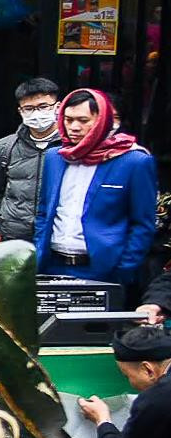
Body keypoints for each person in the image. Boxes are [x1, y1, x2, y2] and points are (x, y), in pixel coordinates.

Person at [34, 89, 159, 298]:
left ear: (103, 120)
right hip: (52, 265)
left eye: (83, 120)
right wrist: (39, 249)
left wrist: (123, 269)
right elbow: (44, 210)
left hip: (102, 269)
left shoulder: (134, 161)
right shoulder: (55, 157)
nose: (74, 127)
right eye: (68, 119)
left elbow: (143, 224)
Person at [0, 78, 62, 242]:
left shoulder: (72, 147)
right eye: (29, 108)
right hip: (14, 238)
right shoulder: (5, 147)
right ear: (20, 111)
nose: (37, 113)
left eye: (43, 106)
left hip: (57, 238)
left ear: (58, 107)